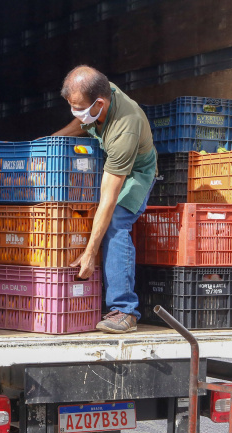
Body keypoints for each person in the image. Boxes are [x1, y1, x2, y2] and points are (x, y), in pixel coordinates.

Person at [53, 65, 156, 334]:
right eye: (71, 106)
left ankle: (125, 310)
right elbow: (83, 120)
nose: (75, 112)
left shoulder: (126, 127)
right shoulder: (98, 93)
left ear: (100, 103)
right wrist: (53, 140)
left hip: (135, 174)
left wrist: (89, 254)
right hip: (106, 161)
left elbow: (109, 199)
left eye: (79, 107)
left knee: (114, 224)